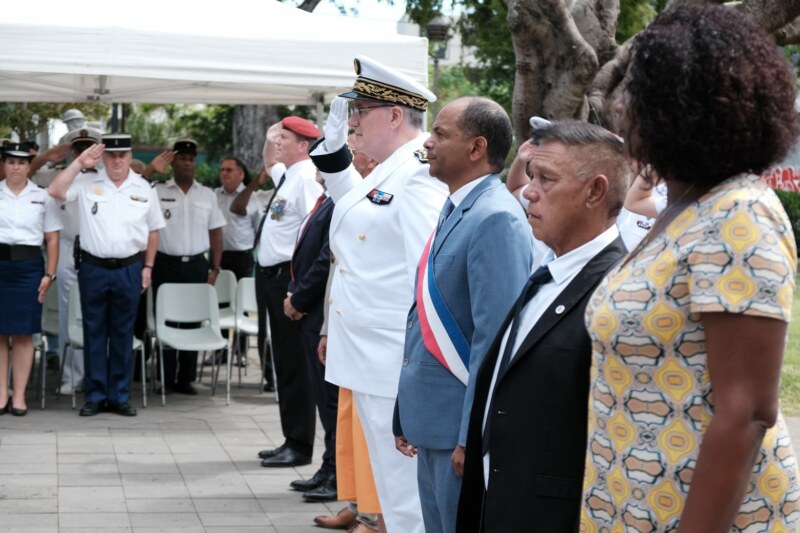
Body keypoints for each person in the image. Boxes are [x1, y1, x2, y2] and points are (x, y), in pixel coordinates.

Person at [579, 6, 800, 531]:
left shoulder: (737, 214)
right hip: (634, 503)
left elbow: (747, 412)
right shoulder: (681, 208)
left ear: (681, 104)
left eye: (633, 89)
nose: (618, 105)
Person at [456, 121, 629, 532]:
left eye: (546, 179)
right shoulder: (550, 270)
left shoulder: (616, 289)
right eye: (531, 175)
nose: (528, 191)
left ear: (595, 191)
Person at [309, 55, 448, 533]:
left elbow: (427, 281)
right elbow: (344, 198)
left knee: (407, 496)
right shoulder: (387, 174)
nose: (352, 121)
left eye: (360, 110)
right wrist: (332, 139)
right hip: (368, 359)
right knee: (392, 493)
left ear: (394, 116)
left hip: (393, 361)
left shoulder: (416, 177)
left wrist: (419, 370)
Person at [392, 97, 533, 533]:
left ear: (476, 148)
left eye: (440, 134)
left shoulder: (496, 218)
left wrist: (471, 435)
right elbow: (425, 316)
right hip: (433, 419)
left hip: (459, 429)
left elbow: (494, 341)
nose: (428, 143)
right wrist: (404, 409)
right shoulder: (457, 206)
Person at [48, 134, 164, 417]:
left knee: (123, 333)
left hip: (129, 268)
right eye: (110, 155)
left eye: (122, 155)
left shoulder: (144, 187)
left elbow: (153, 231)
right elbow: (54, 190)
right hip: (94, 268)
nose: (116, 160)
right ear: (102, 157)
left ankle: (120, 396)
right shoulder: (87, 182)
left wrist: (148, 267)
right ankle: (96, 395)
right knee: (94, 331)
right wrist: (78, 163)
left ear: (130, 155)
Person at [235, 116, 323, 468]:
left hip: (289, 280)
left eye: (284, 138)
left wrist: (300, 288)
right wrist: (271, 134)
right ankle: (291, 437)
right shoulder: (288, 175)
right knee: (283, 362)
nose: (277, 143)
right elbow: (269, 161)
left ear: (304, 145)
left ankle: (300, 445)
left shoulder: (306, 180)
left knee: (295, 366)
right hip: (270, 277)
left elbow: (314, 236)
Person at [313, 138, 383, 532]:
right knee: (348, 424)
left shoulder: (392, 199)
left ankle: (375, 517)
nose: (353, 161)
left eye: (357, 154)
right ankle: (355, 504)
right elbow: (337, 270)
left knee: (370, 428)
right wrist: (327, 328)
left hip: (370, 336)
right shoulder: (355, 198)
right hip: (343, 325)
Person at [151, 138, 225, 395]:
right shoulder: (157, 191)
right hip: (165, 264)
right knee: (168, 319)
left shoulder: (207, 194)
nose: (186, 162)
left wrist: (215, 268)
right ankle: (166, 378)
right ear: (173, 162)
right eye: (181, 158)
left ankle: (186, 379)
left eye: (190, 158)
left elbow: (216, 232)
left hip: (196, 264)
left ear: (195, 163)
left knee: (193, 321)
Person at [283, 169, 339, 501]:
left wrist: (299, 299)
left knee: (331, 402)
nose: (317, 168)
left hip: (319, 310)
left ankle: (335, 473)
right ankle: (329, 467)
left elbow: (325, 261)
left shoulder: (340, 203)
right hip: (311, 309)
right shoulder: (327, 199)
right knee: (324, 400)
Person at [41, 127, 105, 395]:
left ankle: (97, 375)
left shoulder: (107, 180)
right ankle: (71, 375)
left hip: (100, 251)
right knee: (70, 316)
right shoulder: (62, 179)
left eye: (89, 149)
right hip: (69, 249)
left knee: (98, 316)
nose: (84, 155)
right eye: (79, 150)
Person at [0, 143, 61, 416]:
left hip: (28, 269)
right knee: (0, 334)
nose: (16, 167)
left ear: (29, 166)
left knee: (24, 334)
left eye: (21, 162)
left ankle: (20, 396)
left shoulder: (42, 197)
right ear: (4, 165)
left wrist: (50, 274)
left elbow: (52, 238)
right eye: (11, 162)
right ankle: (1, 393)